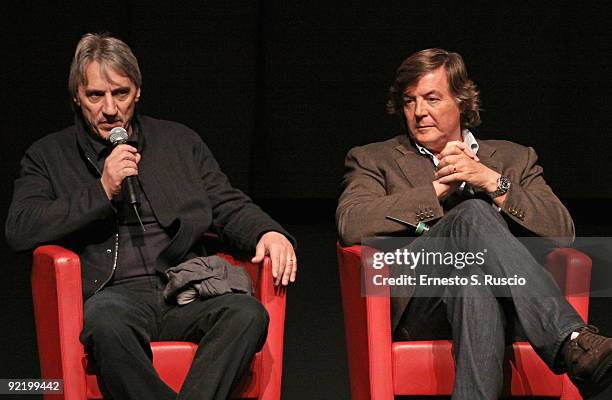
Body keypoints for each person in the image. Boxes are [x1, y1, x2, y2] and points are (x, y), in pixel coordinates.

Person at [5, 33, 297, 400]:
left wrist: (267, 232)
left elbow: (225, 203)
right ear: (77, 97)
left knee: (246, 314)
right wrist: (101, 189)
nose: (110, 109)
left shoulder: (178, 141)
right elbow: (21, 227)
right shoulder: (48, 155)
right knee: (106, 323)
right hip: (114, 297)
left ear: (138, 92)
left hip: (183, 291)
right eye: (96, 95)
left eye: (121, 93)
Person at [336, 48, 612, 399]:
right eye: (409, 101)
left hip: (512, 304)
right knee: (472, 214)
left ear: (462, 101)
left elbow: (562, 230)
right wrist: (436, 190)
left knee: (473, 281)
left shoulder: (513, 158)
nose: (419, 112)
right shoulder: (375, 159)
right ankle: (572, 340)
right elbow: (351, 222)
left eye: (432, 98)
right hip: (421, 306)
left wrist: (490, 181)